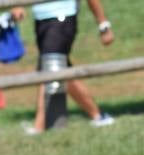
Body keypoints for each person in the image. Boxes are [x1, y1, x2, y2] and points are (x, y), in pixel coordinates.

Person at [12, 0, 116, 132]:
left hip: (62, 16)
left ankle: (39, 126)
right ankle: (98, 116)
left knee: (51, 68)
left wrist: (103, 24)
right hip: (41, 19)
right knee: (58, 69)